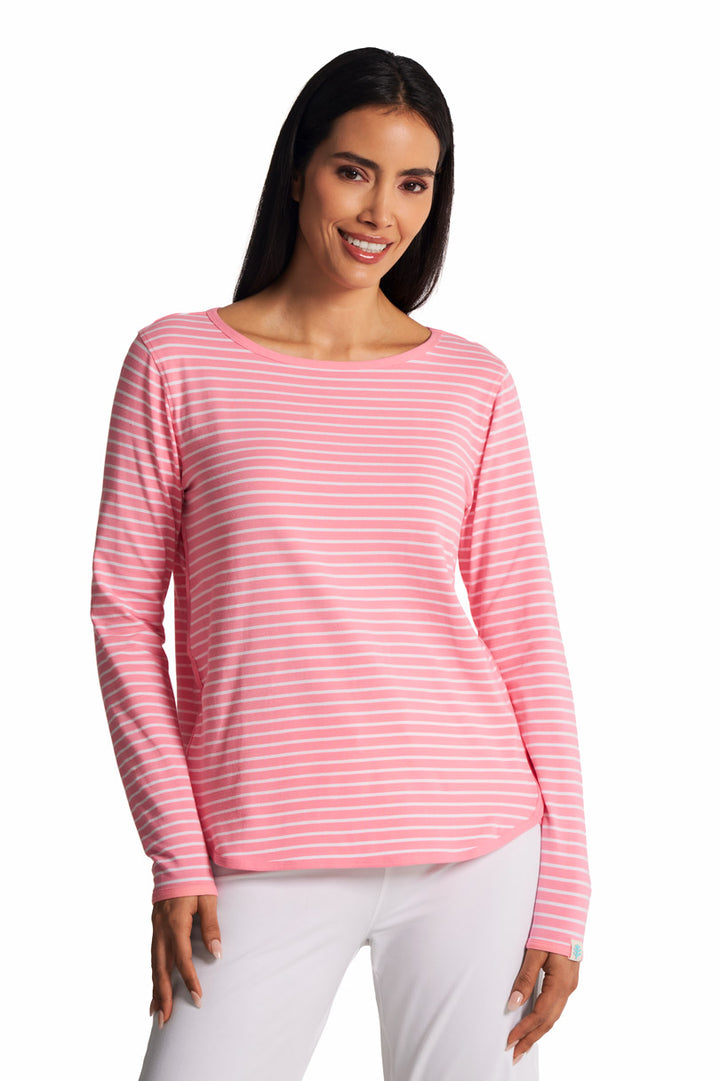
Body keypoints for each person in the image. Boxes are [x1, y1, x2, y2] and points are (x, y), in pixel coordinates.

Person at [90, 46, 591, 1081]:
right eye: (353, 171)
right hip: (255, 848)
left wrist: (566, 890)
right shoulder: (176, 361)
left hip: (474, 846)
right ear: (298, 172)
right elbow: (123, 616)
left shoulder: (473, 382)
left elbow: (525, 634)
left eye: (414, 183)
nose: (380, 212)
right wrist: (175, 849)